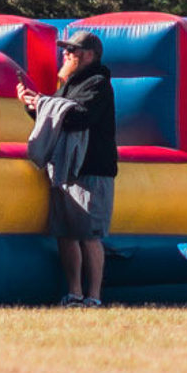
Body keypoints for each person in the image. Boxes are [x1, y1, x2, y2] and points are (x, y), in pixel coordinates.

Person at [21, 30, 117, 307]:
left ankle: (94, 297)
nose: (66, 54)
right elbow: (56, 116)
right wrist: (31, 104)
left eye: (72, 51)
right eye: (65, 50)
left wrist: (41, 102)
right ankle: (74, 293)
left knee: (89, 235)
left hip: (92, 170)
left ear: (88, 55)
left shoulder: (98, 84)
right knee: (66, 233)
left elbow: (79, 118)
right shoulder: (69, 86)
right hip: (66, 168)